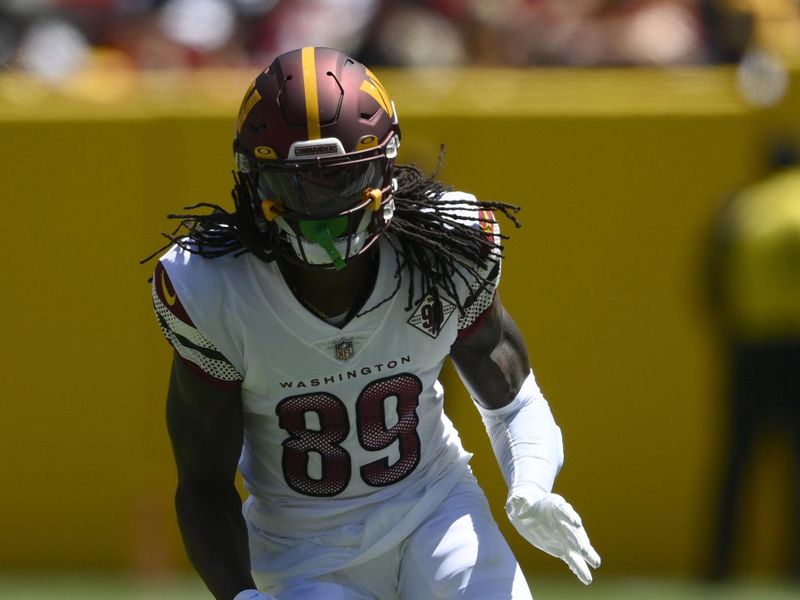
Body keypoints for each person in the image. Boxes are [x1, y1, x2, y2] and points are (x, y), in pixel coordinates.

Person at [149, 46, 600, 600]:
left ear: (384, 168)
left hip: (433, 509)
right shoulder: (214, 289)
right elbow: (202, 484)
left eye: (341, 180)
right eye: (298, 184)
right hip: (302, 551)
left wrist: (529, 485)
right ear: (253, 182)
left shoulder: (447, 248)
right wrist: (240, 596)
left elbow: (514, 401)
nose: (322, 209)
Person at [705, 136, 800, 581]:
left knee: (737, 460)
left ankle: (719, 566)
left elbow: (711, 275)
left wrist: (730, 330)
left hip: (751, 347)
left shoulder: (743, 207)